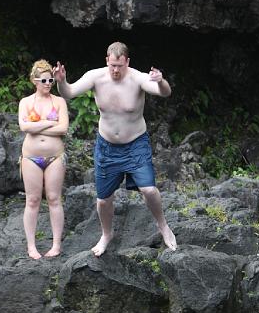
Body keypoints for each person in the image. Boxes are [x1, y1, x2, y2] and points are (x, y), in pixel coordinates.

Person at [53, 41, 177, 257]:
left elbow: (163, 92)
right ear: (106, 61)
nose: (116, 70)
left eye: (119, 66)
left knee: (149, 190)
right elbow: (69, 93)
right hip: (107, 147)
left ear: (127, 62)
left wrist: (162, 80)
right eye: (112, 65)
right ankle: (106, 234)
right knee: (103, 199)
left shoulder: (137, 78)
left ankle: (163, 225)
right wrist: (61, 81)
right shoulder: (96, 77)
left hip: (136, 144)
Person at [18, 60, 69, 259]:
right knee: (32, 200)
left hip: (55, 156)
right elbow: (24, 127)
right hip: (31, 157)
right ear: (34, 81)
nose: (48, 83)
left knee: (54, 198)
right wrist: (49, 122)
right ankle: (31, 246)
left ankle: (56, 245)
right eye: (44, 80)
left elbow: (63, 128)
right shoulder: (26, 102)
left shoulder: (59, 102)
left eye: (51, 80)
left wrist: (37, 124)